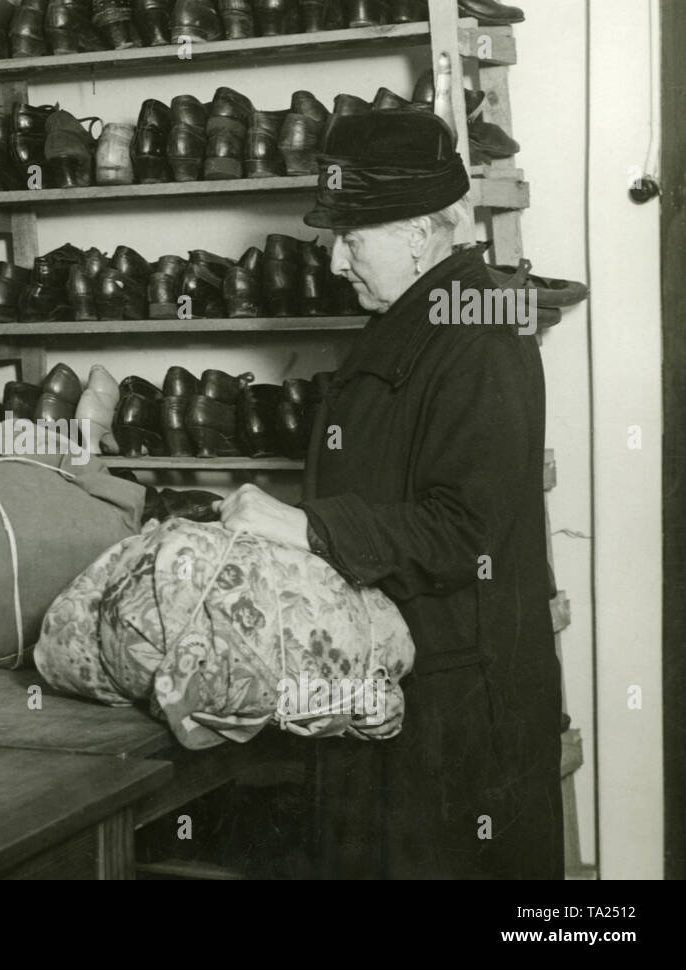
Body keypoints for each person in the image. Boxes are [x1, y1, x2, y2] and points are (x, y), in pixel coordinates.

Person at [218, 106, 562, 878]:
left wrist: (306, 529)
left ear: (418, 231)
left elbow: (462, 530)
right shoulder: (415, 312)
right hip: (394, 686)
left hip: (458, 708)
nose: (336, 261)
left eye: (352, 238)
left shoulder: (481, 329)